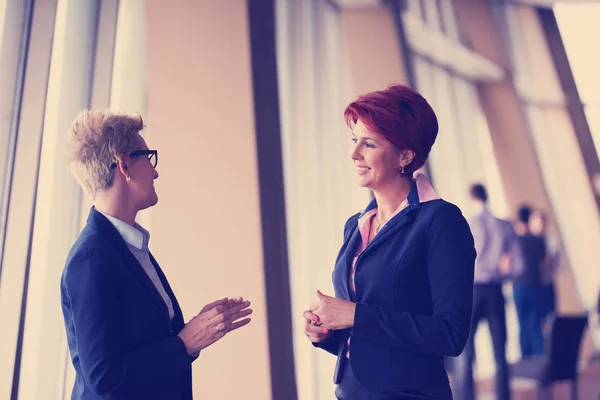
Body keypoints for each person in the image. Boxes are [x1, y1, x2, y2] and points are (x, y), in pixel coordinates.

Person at [60, 110, 252, 399]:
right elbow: (104, 377)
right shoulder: (91, 259)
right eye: (148, 157)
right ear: (124, 165)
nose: (155, 170)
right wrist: (184, 344)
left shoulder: (128, 246)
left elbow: (148, 346)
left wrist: (195, 332)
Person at [302, 85, 476, 399]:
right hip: (351, 391)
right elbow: (369, 336)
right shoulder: (356, 226)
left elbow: (451, 334)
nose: (354, 153)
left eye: (368, 144)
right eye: (355, 140)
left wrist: (354, 314)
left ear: (405, 156)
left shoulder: (441, 222)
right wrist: (326, 332)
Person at [453, 184, 522, 400]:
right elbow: (519, 265)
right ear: (487, 197)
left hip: (470, 292)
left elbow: (454, 264)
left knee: (464, 350)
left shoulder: (465, 224)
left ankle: (466, 397)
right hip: (495, 290)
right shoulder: (504, 226)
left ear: (472, 198)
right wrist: (503, 273)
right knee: (500, 351)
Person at [513, 205, 545, 358]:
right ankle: (540, 359)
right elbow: (544, 263)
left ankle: (526, 360)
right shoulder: (537, 240)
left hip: (518, 285)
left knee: (522, 325)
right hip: (535, 283)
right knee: (536, 324)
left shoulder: (514, 241)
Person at [529, 209, 559, 324]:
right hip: (532, 285)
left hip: (547, 283)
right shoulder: (526, 242)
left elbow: (556, 264)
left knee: (550, 317)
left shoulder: (551, 240)